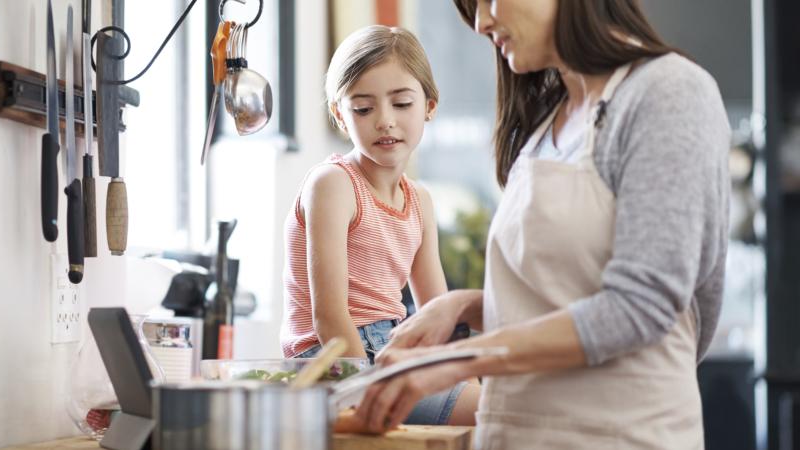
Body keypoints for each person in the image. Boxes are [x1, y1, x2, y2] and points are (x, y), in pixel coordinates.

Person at [355, 1, 730, 448]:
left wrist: (458, 360)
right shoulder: (546, 124)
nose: (481, 23)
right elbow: (562, 291)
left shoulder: (668, 93)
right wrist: (465, 306)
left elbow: (643, 306)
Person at [280, 25, 480, 427]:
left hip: (390, 349)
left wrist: (461, 376)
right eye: (364, 109)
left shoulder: (420, 201)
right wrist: (368, 391)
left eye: (402, 103)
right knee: (492, 411)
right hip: (329, 360)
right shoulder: (333, 184)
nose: (385, 121)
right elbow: (330, 318)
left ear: (430, 106)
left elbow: (437, 313)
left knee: (496, 404)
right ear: (340, 114)